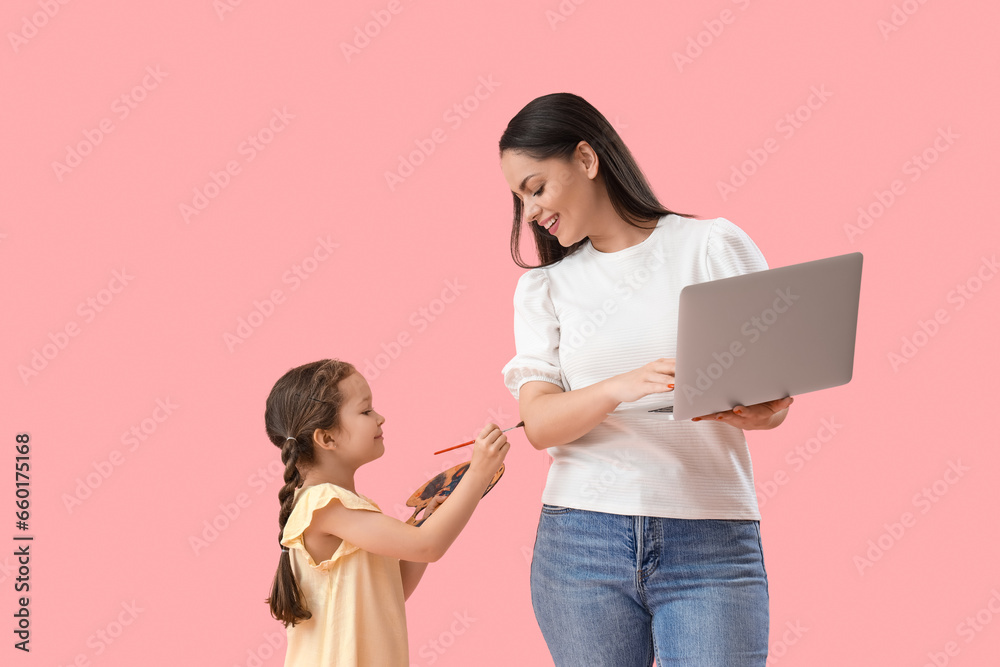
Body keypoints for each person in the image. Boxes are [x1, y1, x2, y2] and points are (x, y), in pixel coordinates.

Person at [498, 92, 794, 666]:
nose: (530, 212)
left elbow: (774, 401)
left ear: (586, 158)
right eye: (519, 199)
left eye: (536, 188)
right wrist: (619, 386)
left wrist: (763, 409)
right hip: (581, 542)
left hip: (710, 539)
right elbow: (540, 425)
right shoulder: (545, 288)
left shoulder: (710, 246)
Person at [264, 359, 509, 666]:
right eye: (366, 411)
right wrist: (479, 472)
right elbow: (427, 546)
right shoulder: (324, 504)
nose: (380, 418)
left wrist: (428, 519)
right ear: (327, 438)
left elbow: (391, 591)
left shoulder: (343, 506)